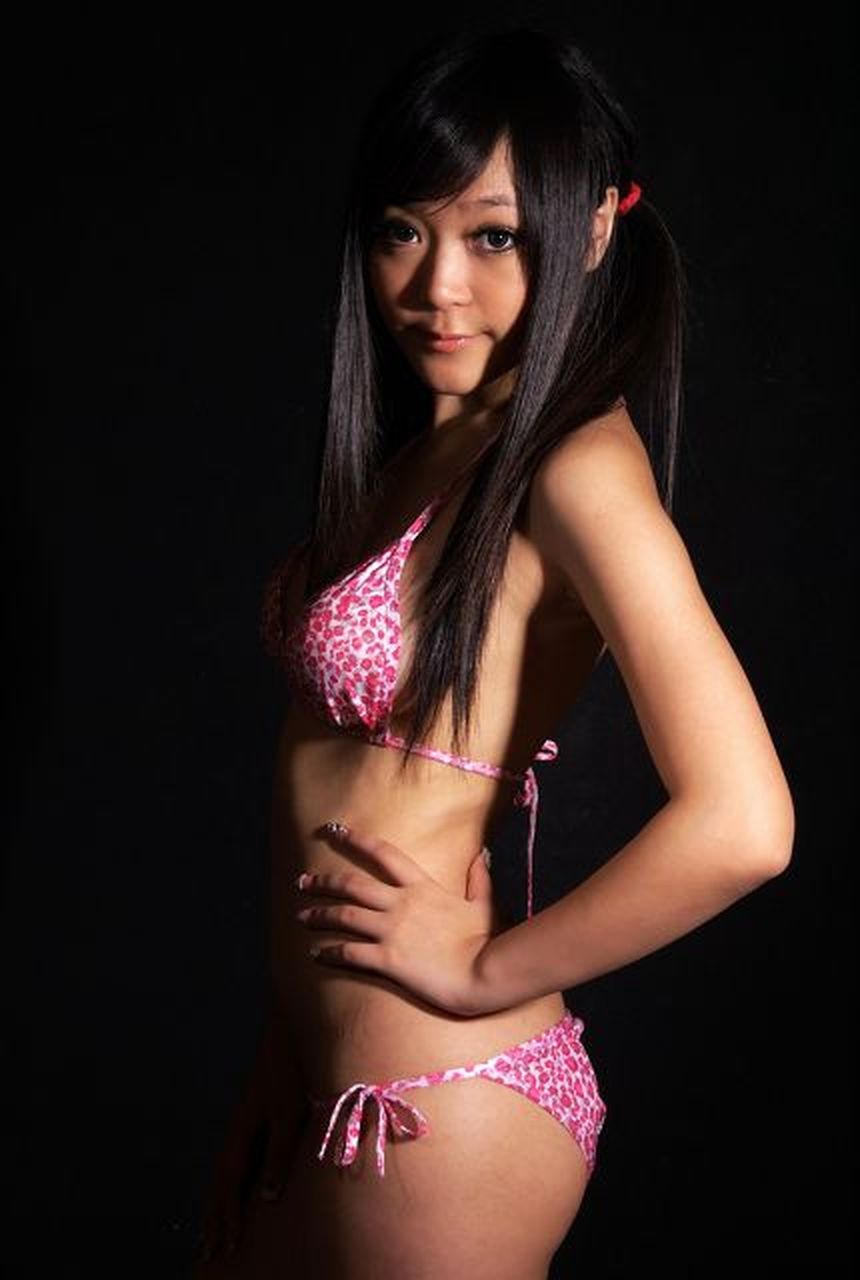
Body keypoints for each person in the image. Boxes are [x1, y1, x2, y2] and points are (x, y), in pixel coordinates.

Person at [192, 21, 795, 1280]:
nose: (436, 289)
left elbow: (744, 821)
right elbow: (327, 803)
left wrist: (479, 971)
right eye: (401, 231)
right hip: (330, 1087)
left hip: (441, 1097)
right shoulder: (428, 448)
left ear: (592, 229)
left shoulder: (573, 465)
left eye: (493, 236)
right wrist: (281, 1056)